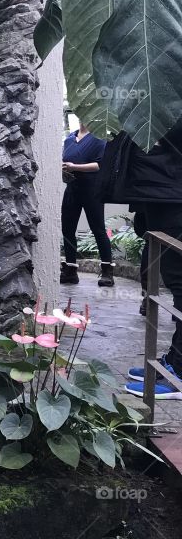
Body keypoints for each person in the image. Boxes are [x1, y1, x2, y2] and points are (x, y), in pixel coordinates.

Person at [112, 123, 182, 400]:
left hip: (173, 195)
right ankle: (175, 359)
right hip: (161, 193)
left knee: (180, 281)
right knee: (175, 278)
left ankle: (178, 372)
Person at [60, 122, 113, 287]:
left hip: (92, 190)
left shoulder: (99, 138)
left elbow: (99, 165)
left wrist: (74, 167)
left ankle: (107, 271)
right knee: (67, 229)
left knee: (98, 229)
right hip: (72, 188)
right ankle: (70, 270)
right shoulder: (69, 139)